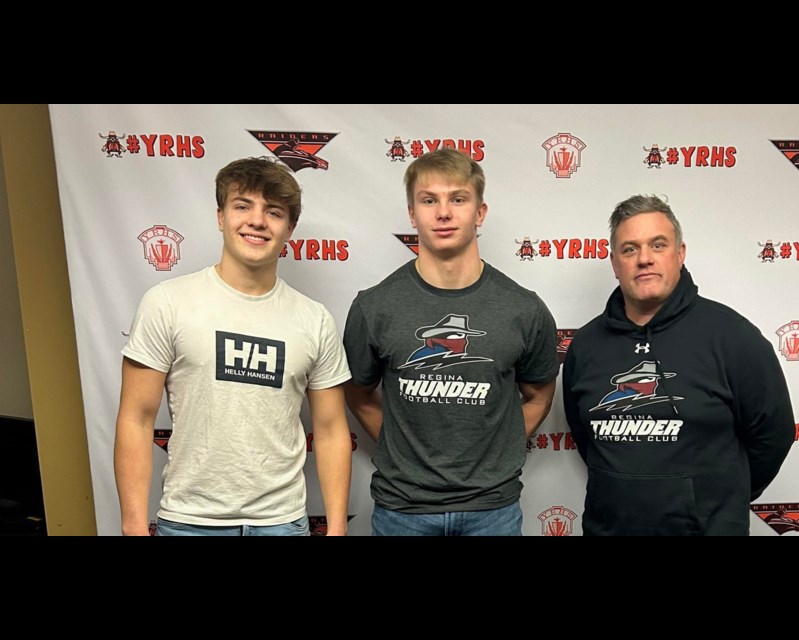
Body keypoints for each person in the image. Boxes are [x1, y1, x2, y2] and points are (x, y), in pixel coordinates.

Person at [114, 157, 353, 536]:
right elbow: (135, 419)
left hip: (282, 523)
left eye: (273, 212)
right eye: (242, 206)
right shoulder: (168, 303)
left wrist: (337, 528)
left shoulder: (315, 319)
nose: (257, 221)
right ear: (220, 216)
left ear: (289, 228)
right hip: (190, 522)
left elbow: (331, 430)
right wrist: (132, 525)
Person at [343, 147, 558, 536]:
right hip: (402, 510)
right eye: (429, 200)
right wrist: (399, 449)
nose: (443, 212)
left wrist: (501, 450)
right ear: (413, 213)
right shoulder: (374, 306)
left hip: (493, 510)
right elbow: (357, 394)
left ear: (480, 212)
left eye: (458, 199)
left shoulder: (523, 309)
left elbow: (541, 394)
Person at [562, 195, 795, 535]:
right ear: (615, 263)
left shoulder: (732, 336)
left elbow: (774, 435)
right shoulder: (586, 345)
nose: (644, 259)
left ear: (680, 254)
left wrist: (716, 500)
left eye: (658, 245)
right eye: (629, 249)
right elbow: (586, 438)